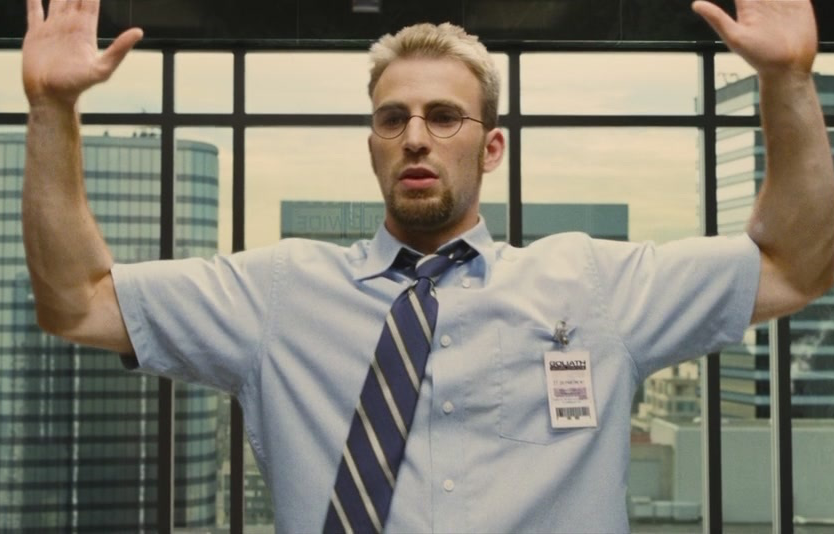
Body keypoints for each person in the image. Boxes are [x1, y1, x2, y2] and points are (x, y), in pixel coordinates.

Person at [21, 0, 834, 532]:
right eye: (392, 119)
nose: (415, 136)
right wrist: (53, 108)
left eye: (444, 116)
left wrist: (787, 79)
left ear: (492, 147)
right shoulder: (278, 294)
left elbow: (795, 266)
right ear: (372, 145)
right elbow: (76, 301)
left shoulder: (592, 287)